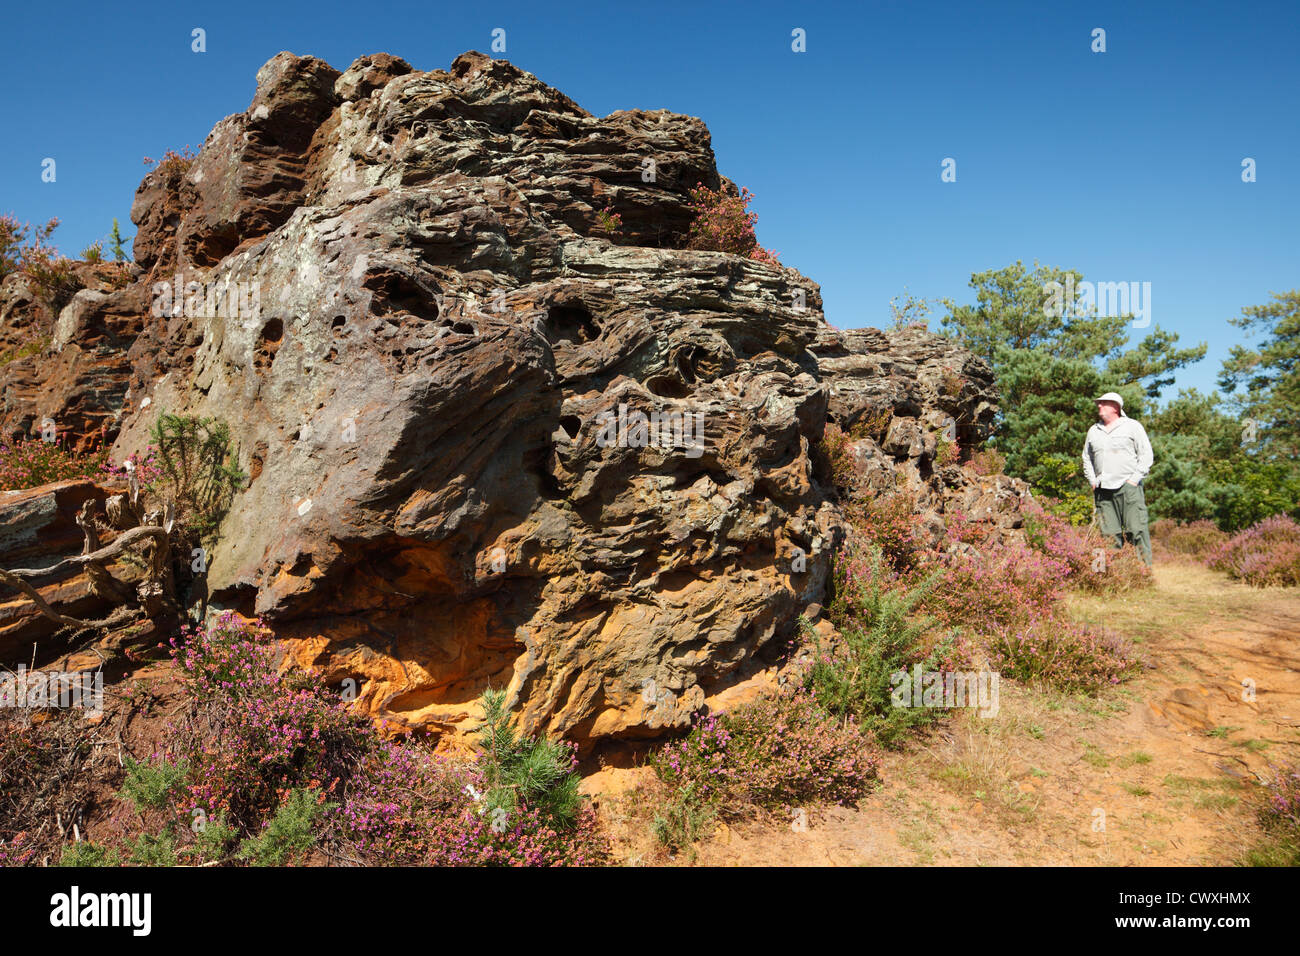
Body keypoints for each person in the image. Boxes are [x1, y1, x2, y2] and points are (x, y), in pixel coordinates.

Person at [1081, 391, 1153, 565]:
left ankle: (1144, 574)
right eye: (1098, 403)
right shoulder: (1093, 430)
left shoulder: (1132, 426)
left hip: (1128, 488)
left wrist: (1133, 481)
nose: (1099, 406)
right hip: (1103, 491)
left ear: (1116, 407)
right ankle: (1106, 574)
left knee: (1136, 531)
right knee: (1107, 534)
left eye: (1103, 403)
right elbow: (1086, 458)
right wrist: (1092, 480)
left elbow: (1146, 455)